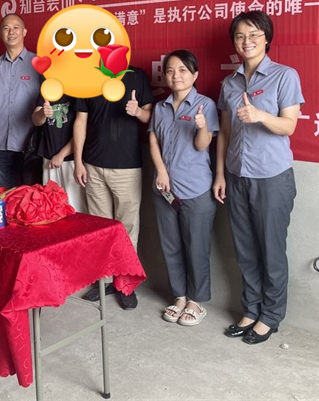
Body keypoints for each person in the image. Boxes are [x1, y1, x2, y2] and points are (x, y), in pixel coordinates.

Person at [212, 10, 304, 345]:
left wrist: (260, 115)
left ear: (266, 38)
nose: (246, 41)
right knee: (245, 249)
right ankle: (251, 309)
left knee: (271, 250)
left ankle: (271, 316)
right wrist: (220, 174)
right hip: (237, 175)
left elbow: (289, 126)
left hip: (272, 178)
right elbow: (224, 132)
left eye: (253, 34)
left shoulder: (284, 76)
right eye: (239, 36)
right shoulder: (229, 83)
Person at [73, 66, 154, 310]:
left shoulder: (136, 76)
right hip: (93, 164)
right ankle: (105, 281)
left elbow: (151, 116)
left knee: (127, 229)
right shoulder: (87, 76)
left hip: (127, 166)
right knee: (101, 229)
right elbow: (81, 120)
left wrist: (137, 111)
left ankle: (126, 283)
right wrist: (78, 161)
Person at [149, 50, 218, 327]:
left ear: (194, 74)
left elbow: (202, 145)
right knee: (170, 245)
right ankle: (179, 296)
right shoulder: (160, 107)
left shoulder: (205, 105)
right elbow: (153, 140)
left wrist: (202, 127)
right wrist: (161, 171)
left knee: (197, 247)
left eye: (182, 70)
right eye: (170, 71)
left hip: (195, 188)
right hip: (164, 188)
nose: (175, 76)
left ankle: (196, 301)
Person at [0, 13, 41, 189]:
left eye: (16, 27)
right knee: (2, 195)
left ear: (24, 32)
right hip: (1, 145)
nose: (11, 32)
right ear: (0, 34)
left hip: (30, 145)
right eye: (6, 28)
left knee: (29, 195)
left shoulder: (38, 63)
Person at [32, 93, 86, 213]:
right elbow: (36, 120)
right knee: (51, 205)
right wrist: (42, 113)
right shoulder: (48, 89)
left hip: (73, 160)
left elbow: (82, 129)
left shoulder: (78, 92)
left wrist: (61, 155)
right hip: (49, 157)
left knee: (75, 206)